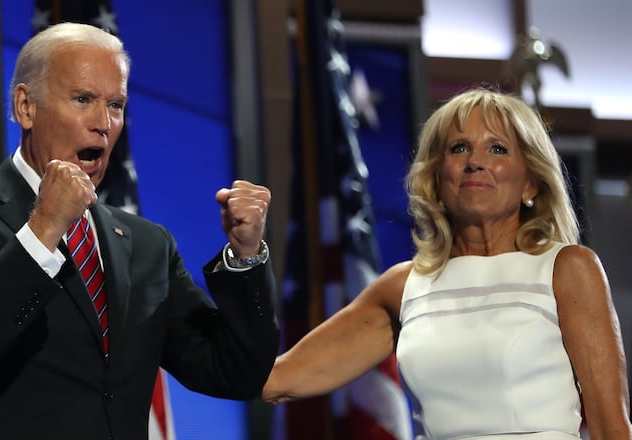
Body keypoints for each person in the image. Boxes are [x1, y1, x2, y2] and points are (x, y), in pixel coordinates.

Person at [0, 22, 279, 439]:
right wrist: (45, 226)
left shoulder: (147, 245)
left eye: (116, 105)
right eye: (83, 99)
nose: (103, 123)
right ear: (25, 107)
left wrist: (247, 256)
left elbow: (235, 373)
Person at [263, 88, 632, 438]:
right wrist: (246, 259)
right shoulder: (403, 287)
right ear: (438, 179)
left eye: (498, 149)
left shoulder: (567, 269)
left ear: (531, 184)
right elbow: (277, 380)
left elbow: (611, 429)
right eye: (459, 148)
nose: (475, 162)